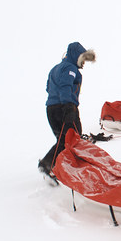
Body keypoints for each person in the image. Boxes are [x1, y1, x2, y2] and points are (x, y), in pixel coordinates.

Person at [38, 41, 96, 180]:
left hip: (51, 109)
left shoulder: (55, 68)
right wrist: (68, 106)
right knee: (73, 138)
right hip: (65, 107)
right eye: (83, 59)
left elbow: (48, 87)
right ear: (77, 57)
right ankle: (49, 164)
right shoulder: (70, 68)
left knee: (63, 139)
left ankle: (56, 168)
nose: (84, 63)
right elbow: (65, 85)